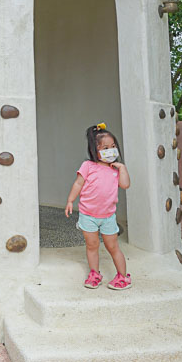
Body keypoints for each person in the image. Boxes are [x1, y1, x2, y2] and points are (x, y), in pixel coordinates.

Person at [65, 122, 132, 290]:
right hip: (88, 215)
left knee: (112, 246)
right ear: (95, 150)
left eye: (113, 146)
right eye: (105, 148)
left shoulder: (115, 169)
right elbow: (78, 184)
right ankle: (95, 274)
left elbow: (125, 185)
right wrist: (70, 201)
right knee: (92, 245)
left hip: (108, 217)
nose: (110, 150)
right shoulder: (88, 166)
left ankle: (123, 277)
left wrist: (122, 168)